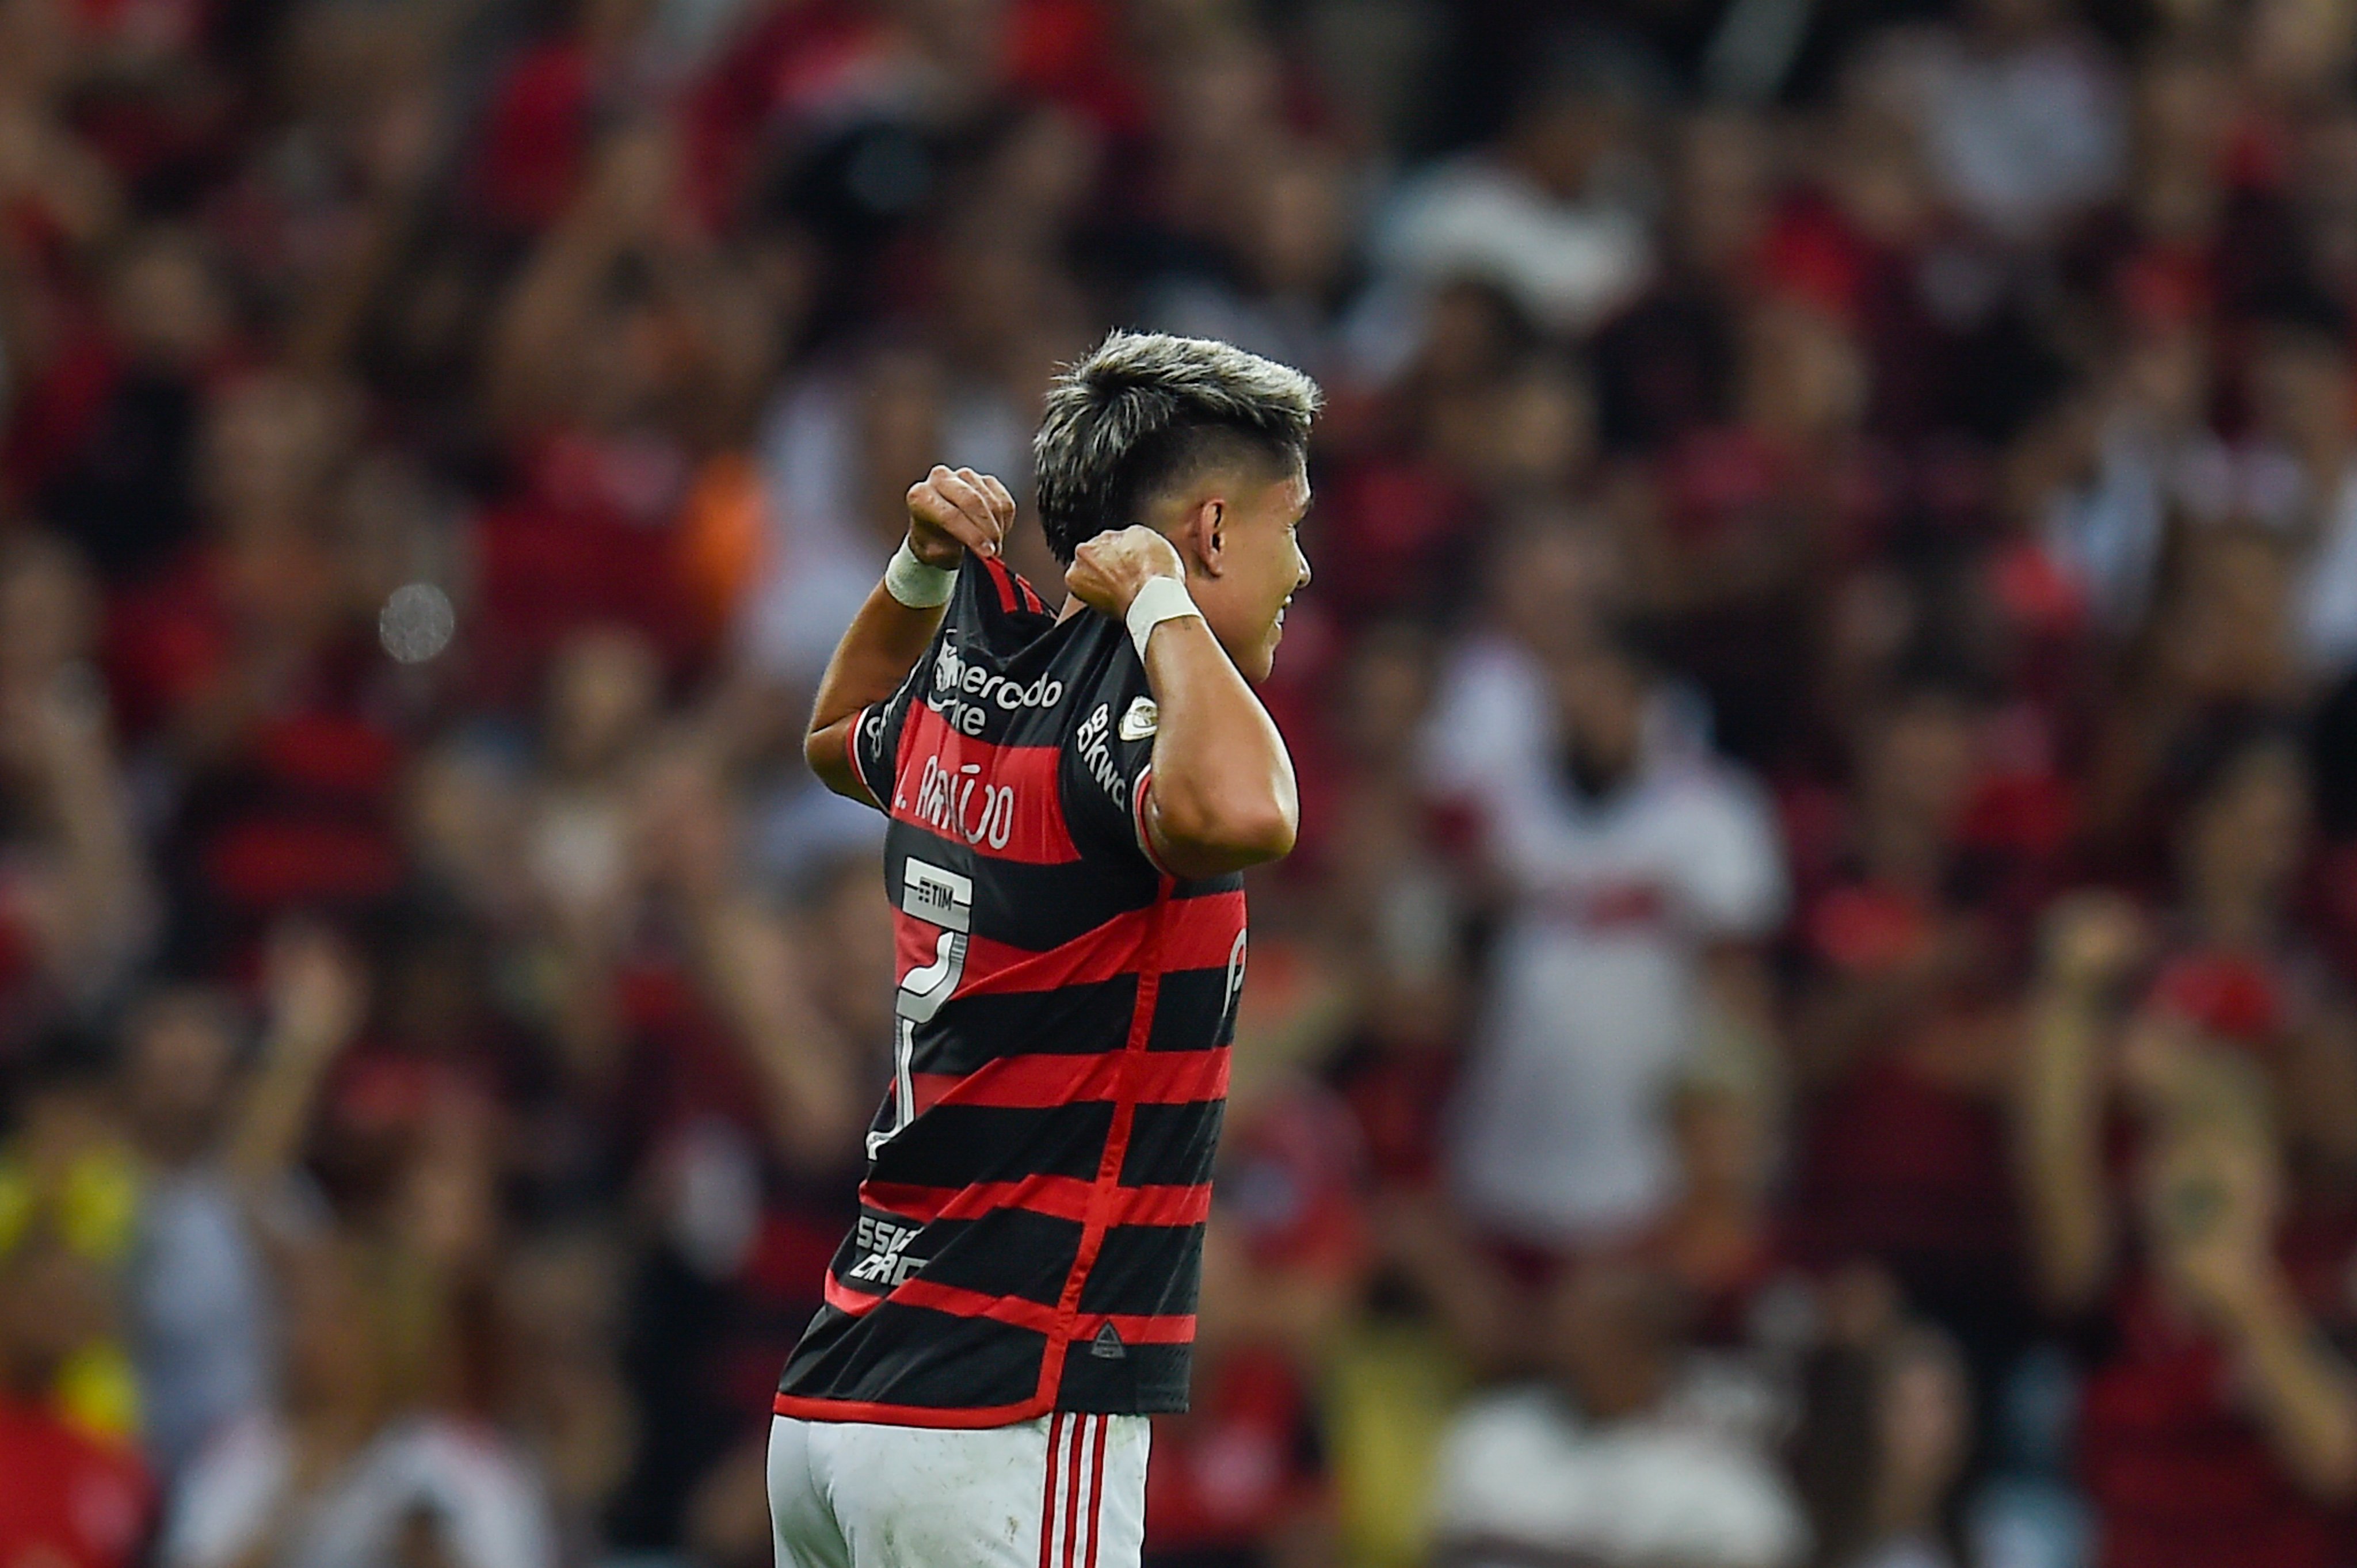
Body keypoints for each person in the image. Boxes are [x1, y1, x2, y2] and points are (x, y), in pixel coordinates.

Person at [769, 330, 1318, 1568]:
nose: (1301, 567)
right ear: (1211, 531)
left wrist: (916, 571)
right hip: (1007, 1407)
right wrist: (1164, 604)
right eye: (1289, 527)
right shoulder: (1132, 715)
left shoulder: (977, 676)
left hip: (837, 1401)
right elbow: (1252, 813)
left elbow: (836, 730)